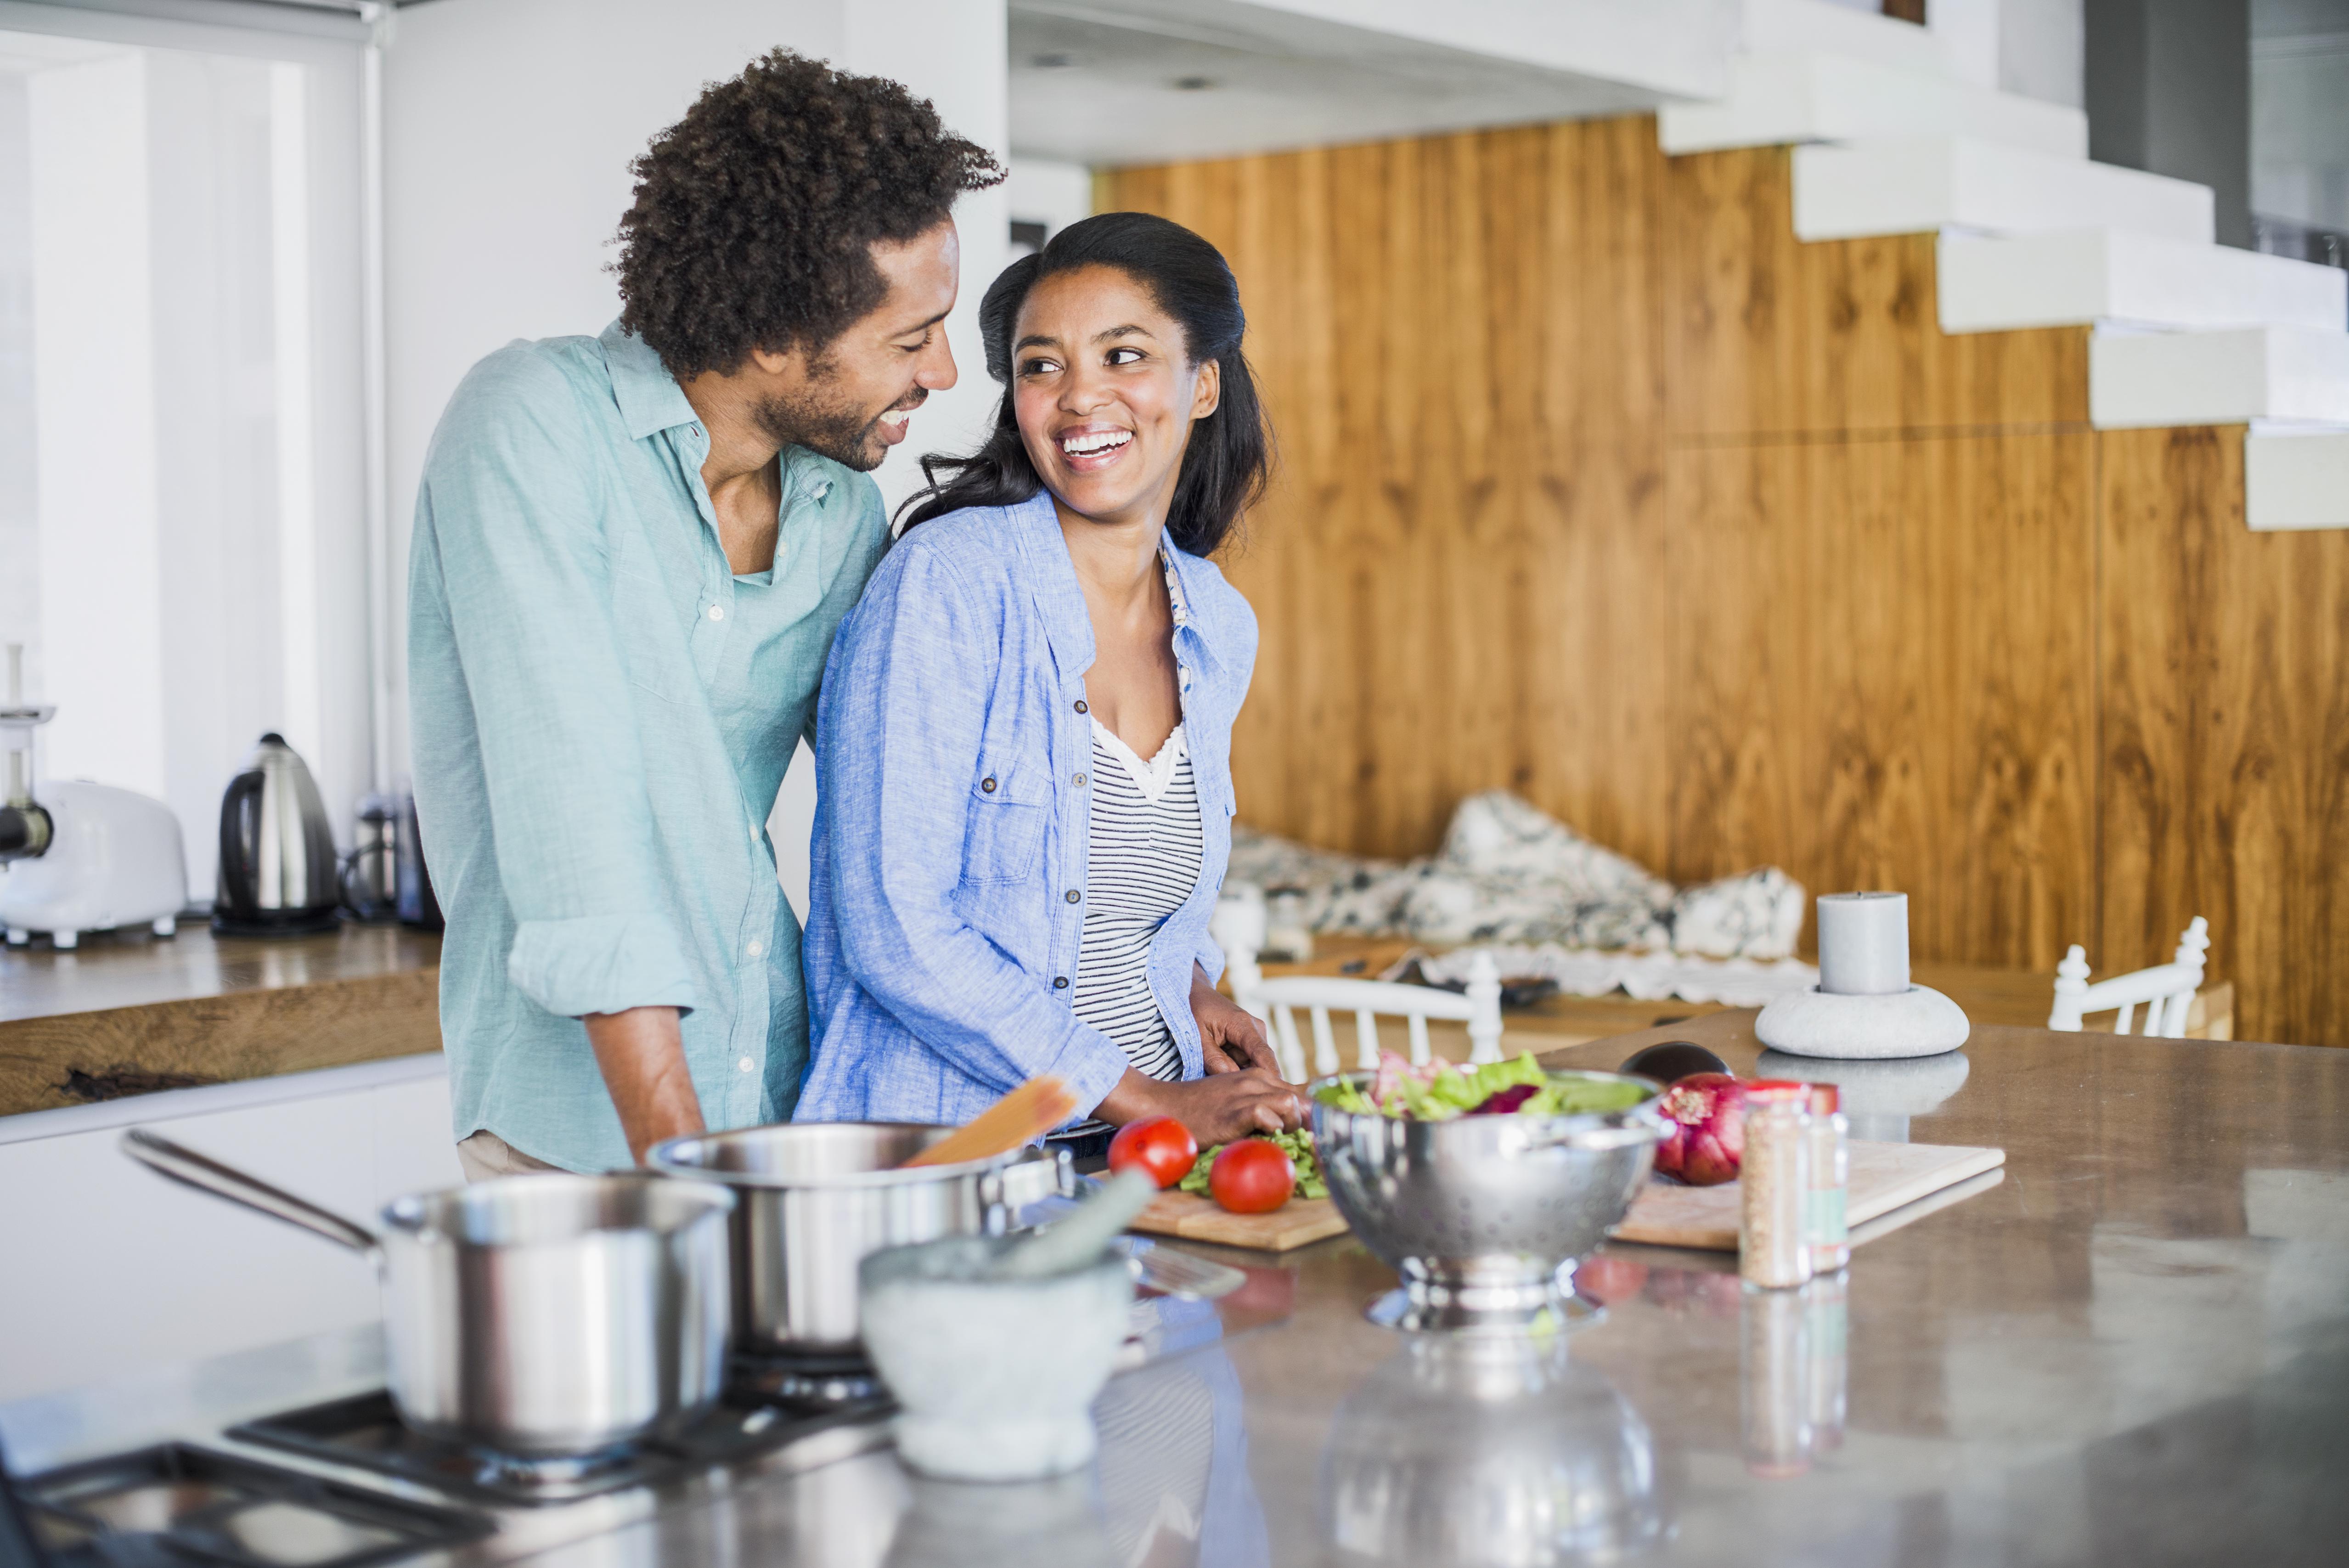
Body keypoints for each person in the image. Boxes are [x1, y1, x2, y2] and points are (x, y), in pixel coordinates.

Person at [407, 52, 1000, 1177]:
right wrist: (686, 1170)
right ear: (774, 331)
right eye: (909, 336)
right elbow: (572, 811)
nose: (946, 369)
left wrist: (1175, 974)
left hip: (780, 1099)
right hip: (578, 1138)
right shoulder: (533, 425)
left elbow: (922, 801)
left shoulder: (838, 508)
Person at [797, 212, 1300, 1146]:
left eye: (1123, 356)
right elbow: (893, 925)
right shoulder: (947, 581)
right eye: (1041, 365)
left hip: (1146, 1162)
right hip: (960, 1153)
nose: (1079, 398)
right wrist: (1140, 1096)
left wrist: (1190, 988)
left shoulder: (1217, 621)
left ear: (1202, 386)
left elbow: (1121, 902)